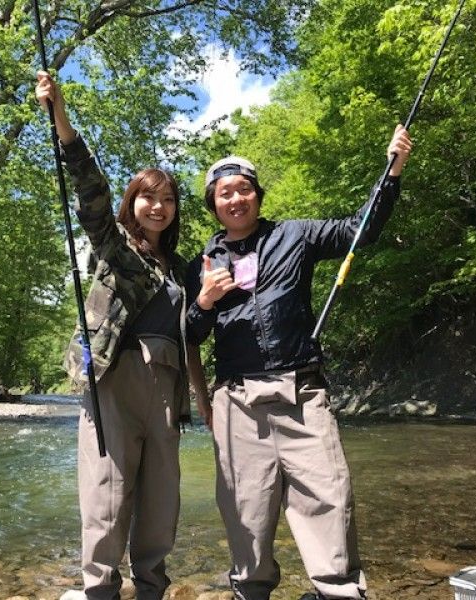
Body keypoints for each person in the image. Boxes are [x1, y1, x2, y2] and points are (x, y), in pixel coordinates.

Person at [185, 126, 412, 600]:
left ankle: (338, 591)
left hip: (302, 393)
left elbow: (359, 229)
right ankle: (251, 591)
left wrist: (392, 170)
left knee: (329, 497)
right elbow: (188, 335)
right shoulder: (201, 263)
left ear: (257, 195)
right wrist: (203, 303)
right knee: (246, 512)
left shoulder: (297, 235)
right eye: (224, 193)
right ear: (214, 204)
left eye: (243, 188)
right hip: (237, 402)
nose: (236, 199)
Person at [35, 71, 203, 600]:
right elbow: (89, 185)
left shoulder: (182, 269)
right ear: (132, 204)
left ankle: (152, 587)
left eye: (168, 199)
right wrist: (59, 114)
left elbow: (195, 333)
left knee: (161, 501)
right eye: (148, 198)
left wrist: (204, 397)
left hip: (167, 387)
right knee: (107, 493)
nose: (158, 206)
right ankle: (99, 591)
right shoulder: (113, 245)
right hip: (114, 377)